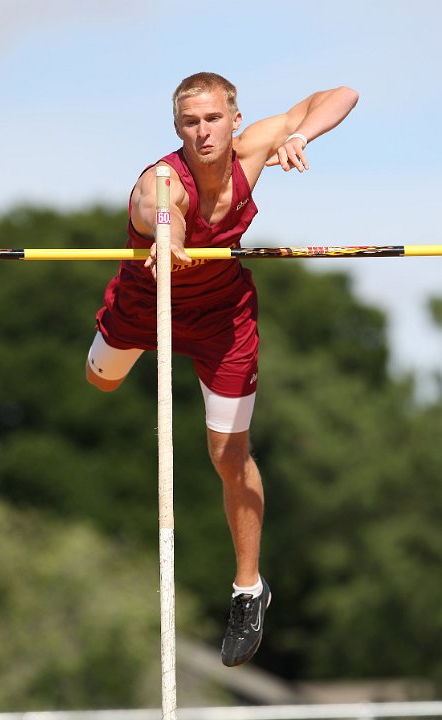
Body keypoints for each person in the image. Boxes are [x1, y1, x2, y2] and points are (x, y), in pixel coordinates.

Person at [86, 72, 358, 667]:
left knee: (228, 454)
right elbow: (160, 208)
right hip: (146, 305)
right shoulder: (162, 182)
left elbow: (341, 95)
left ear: (235, 119)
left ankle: (248, 588)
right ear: (177, 128)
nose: (203, 132)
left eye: (213, 119)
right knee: (100, 380)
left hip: (221, 319)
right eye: (190, 123)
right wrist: (166, 233)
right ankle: (115, 346)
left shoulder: (254, 147)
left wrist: (302, 135)